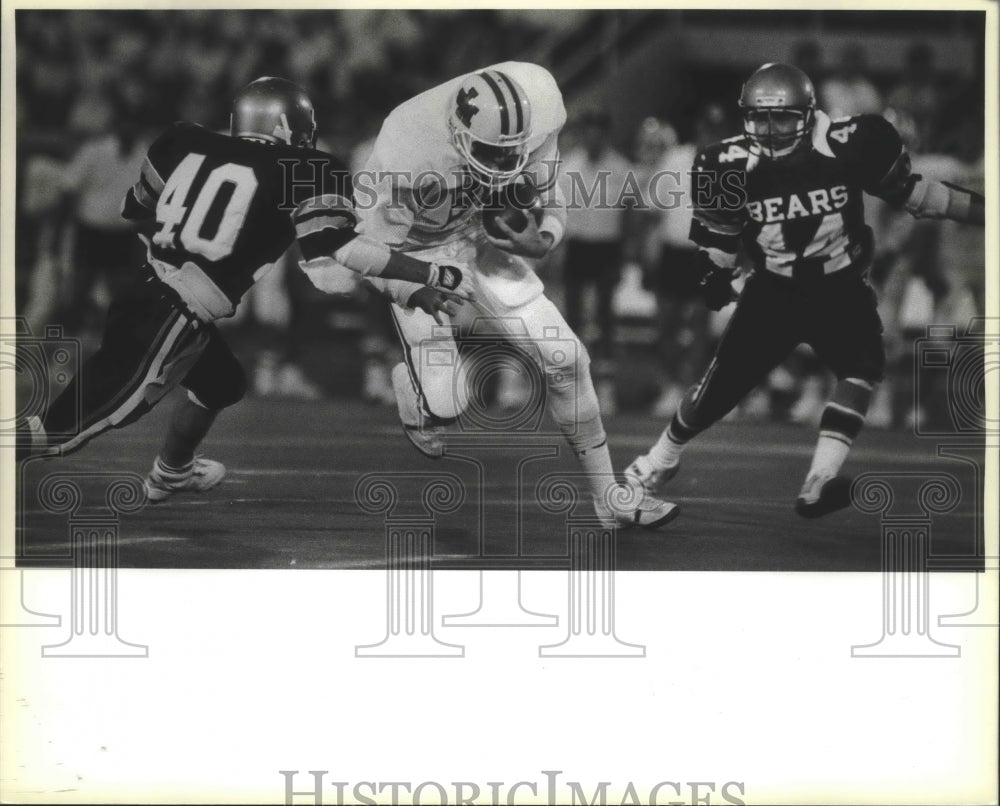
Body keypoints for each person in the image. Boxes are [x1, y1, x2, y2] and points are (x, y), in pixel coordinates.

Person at [18, 77, 471, 501]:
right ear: (286, 125)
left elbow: (132, 206)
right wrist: (429, 276)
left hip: (143, 286)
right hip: (172, 313)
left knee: (222, 383)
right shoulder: (306, 167)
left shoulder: (184, 139)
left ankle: (172, 470)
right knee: (65, 428)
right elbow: (340, 249)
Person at [325, 61, 678, 529]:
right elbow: (366, 250)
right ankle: (415, 389)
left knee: (567, 357)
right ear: (456, 134)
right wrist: (417, 284)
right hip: (418, 252)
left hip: (478, 239)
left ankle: (608, 496)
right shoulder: (405, 145)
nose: (500, 167)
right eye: (490, 153)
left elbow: (552, 199)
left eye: (509, 154)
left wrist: (544, 238)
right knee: (448, 402)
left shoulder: (540, 105)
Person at [625, 62, 984, 518]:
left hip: (840, 287)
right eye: (761, 118)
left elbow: (920, 197)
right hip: (774, 290)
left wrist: (984, 213)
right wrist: (715, 274)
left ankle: (819, 481)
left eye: (783, 118)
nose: (772, 130)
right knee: (717, 391)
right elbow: (720, 241)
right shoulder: (725, 163)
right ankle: (655, 462)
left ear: (810, 114)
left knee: (862, 368)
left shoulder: (851, 144)